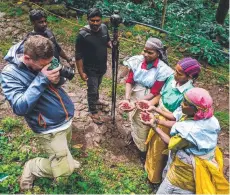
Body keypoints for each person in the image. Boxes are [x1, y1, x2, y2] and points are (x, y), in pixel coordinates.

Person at [1, 35, 80, 190]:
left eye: (50, 63)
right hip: (48, 127)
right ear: (27, 58)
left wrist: (57, 79)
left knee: (64, 151)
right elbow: (19, 107)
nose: (48, 67)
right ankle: (33, 167)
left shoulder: (44, 58)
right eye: (43, 65)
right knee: (66, 170)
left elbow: (58, 82)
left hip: (64, 118)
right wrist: (42, 79)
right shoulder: (9, 74)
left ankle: (63, 159)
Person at [141, 88, 229, 194]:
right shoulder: (207, 117)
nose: (182, 105)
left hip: (185, 169)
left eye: (185, 104)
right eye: (183, 101)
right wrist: (157, 120)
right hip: (203, 158)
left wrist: (154, 126)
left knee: (174, 188)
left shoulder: (189, 132)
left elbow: (171, 143)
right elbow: (178, 121)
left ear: (196, 109)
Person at [137, 57, 201, 190]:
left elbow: (175, 117)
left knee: (159, 152)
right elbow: (161, 95)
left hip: (168, 124)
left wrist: (155, 112)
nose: (175, 74)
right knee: (152, 145)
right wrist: (150, 104)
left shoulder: (188, 94)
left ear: (189, 77)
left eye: (179, 73)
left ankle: (154, 179)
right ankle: (148, 169)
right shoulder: (171, 80)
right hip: (158, 115)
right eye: (175, 70)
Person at [119, 37, 173, 162]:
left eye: (150, 52)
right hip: (135, 93)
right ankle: (135, 139)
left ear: (158, 54)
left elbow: (154, 92)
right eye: (145, 51)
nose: (146, 54)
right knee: (133, 118)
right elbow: (129, 81)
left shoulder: (162, 69)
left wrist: (136, 103)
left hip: (148, 99)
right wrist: (128, 99)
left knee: (143, 123)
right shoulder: (137, 61)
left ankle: (142, 150)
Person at [75, 8, 111, 125]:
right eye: (92, 21)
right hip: (90, 69)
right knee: (92, 89)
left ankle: (96, 100)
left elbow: (107, 42)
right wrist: (81, 71)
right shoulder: (83, 34)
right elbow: (78, 55)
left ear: (101, 20)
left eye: (97, 20)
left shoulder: (105, 28)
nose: (95, 23)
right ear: (88, 20)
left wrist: (112, 44)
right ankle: (93, 110)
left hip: (101, 66)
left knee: (97, 86)